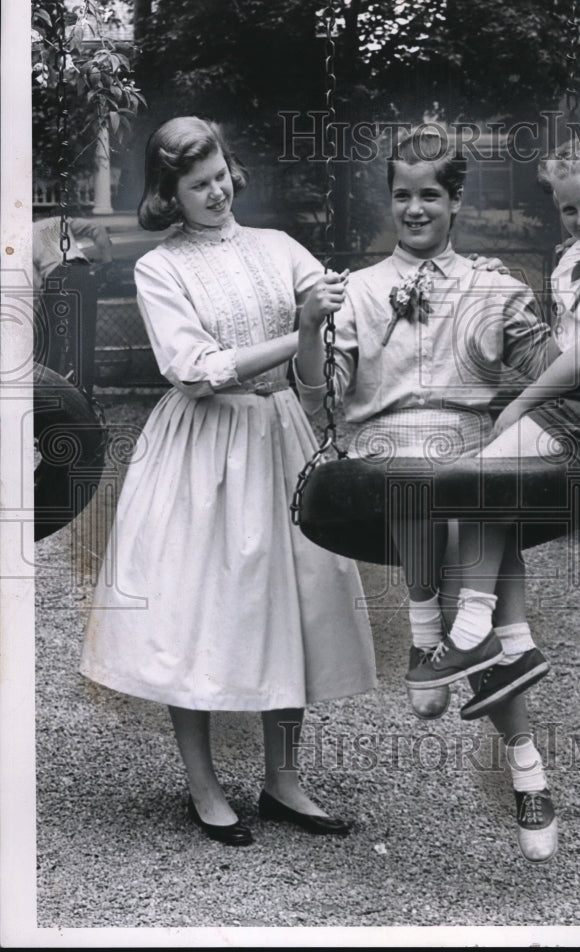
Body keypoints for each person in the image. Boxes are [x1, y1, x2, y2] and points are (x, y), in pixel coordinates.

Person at [80, 116, 376, 847]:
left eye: (219, 176)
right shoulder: (162, 268)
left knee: (293, 602)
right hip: (200, 450)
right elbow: (195, 369)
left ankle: (282, 780)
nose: (215, 192)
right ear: (169, 194)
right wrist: (294, 326)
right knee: (198, 606)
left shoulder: (278, 248)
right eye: (196, 185)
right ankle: (204, 785)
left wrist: (316, 325)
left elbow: (314, 370)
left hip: (279, 434)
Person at [295, 126, 558, 862]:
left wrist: (553, 300)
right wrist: (310, 325)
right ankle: (433, 636)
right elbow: (322, 396)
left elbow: (561, 369)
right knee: (420, 474)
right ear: (391, 199)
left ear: (455, 200)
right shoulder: (356, 292)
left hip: (473, 453)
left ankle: (512, 747)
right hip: (386, 457)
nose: (415, 210)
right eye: (403, 196)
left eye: (430, 196)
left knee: (478, 494)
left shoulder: (494, 285)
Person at [409, 138, 580, 724]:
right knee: (482, 494)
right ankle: (512, 648)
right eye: (568, 208)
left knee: (475, 485)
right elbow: (561, 348)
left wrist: (519, 406)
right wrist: (505, 291)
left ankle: (479, 633)